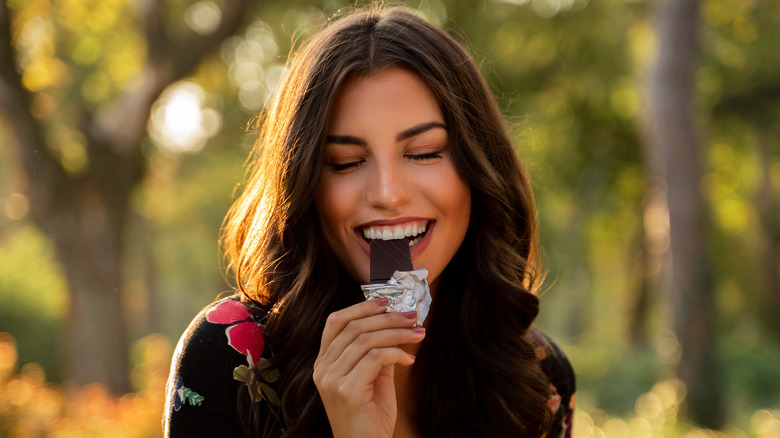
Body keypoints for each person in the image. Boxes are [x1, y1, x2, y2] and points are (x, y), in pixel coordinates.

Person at [164, 6, 575, 438]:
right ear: (305, 187)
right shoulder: (231, 358)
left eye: (423, 152)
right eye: (345, 162)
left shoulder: (538, 376)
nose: (386, 193)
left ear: (479, 169)